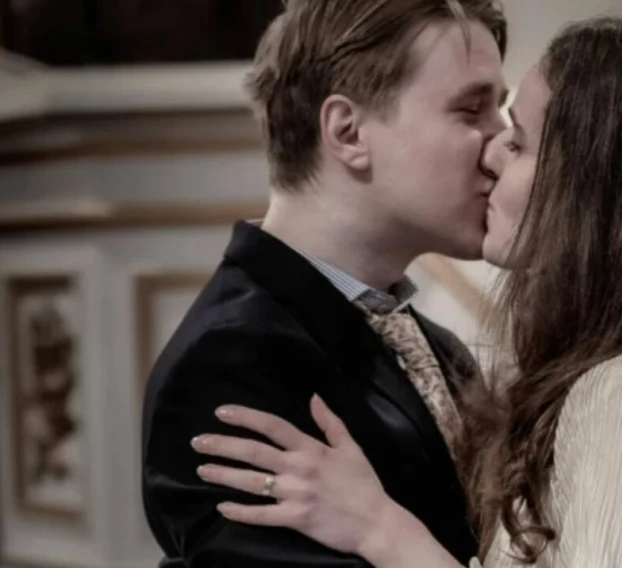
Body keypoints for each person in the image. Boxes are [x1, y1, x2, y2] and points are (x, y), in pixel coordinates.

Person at [190, 16, 622, 568]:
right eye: (474, 113)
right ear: (346, 132)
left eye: (518, 140)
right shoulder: (240, 355)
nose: (491, 153)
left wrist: (384, 533)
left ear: (592, 186)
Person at [140, 1, 508, 566]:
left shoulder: (440, 348)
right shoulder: (230, 363)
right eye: (472, 109)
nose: (502, 146)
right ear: (348, 132)